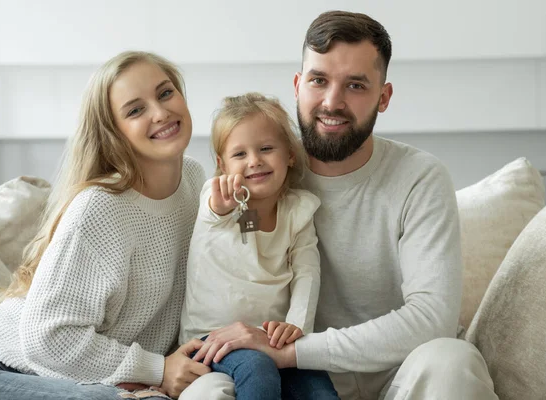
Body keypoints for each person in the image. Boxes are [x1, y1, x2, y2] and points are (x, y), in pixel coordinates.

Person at [180, 10, 499, 400]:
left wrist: (294, 352)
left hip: (395, 373)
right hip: (292, 377)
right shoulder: (261, 174)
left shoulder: (420, 177)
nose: (332, 102)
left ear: (383, 97)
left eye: (355, 85)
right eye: (318, 80)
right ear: (298, 85)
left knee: (452, 361)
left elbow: (432, 319)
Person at [0, 51, 211, 400]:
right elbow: (47, 338)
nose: (161, 113)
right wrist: (158, 369)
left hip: (58, 374)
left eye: (165, 93)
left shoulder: (193, 179)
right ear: (114, 133)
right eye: (135, 110)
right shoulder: (99, 208)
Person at [179, 92, 339, 399]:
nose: (254, 161)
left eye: (266, 148)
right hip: (213, 339)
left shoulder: (299, 210)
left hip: (273, 340)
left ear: (290, 154)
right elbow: (214, 214)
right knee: (258, 370)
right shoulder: (217, 203)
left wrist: (296, 327)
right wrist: (221, 205)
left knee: (318, 388)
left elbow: (307, 272)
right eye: (239, 155)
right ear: (222, 165)